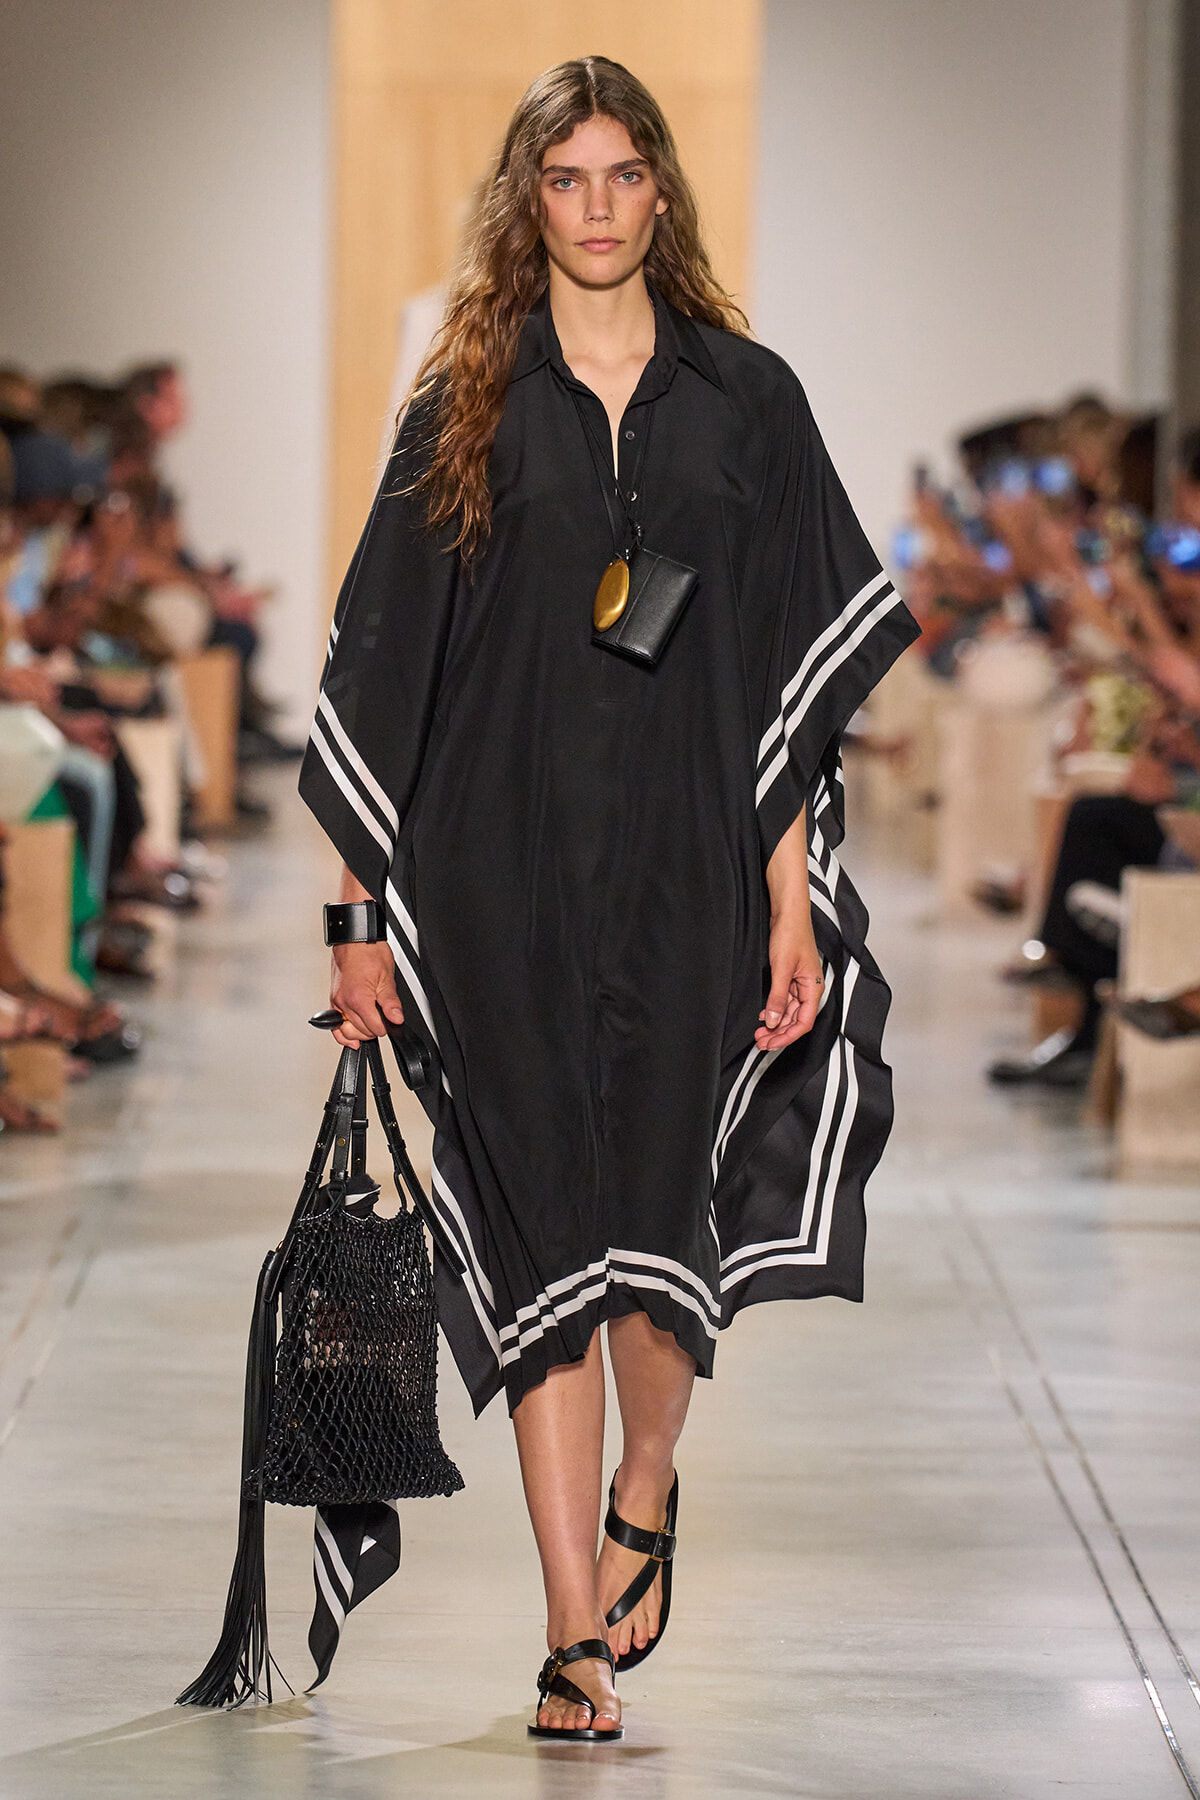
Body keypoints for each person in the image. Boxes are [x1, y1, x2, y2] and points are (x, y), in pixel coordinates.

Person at [300, 56, 917, 1741]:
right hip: (495, 872)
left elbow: (782, 668)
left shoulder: (747, 398)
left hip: (691, 866)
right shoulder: (467, 399)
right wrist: (359, 920)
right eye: (564, 178)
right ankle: (571, 1627)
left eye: (622, 174)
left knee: (660, 1237)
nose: (594, 206)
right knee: (541, 1239)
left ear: (661, 191)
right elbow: (384, 662)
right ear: (529, 197)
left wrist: (788, 903)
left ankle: (650, 1476)